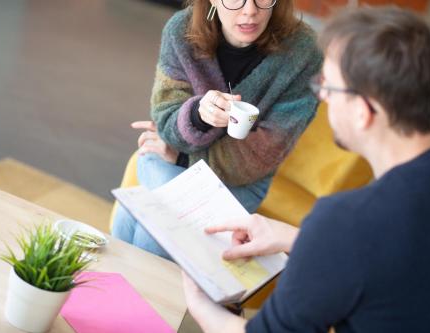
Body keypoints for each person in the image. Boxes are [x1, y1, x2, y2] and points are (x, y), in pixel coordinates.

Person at [183, 6, 430, 333]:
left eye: (331, 87)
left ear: (363, 111)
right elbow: (401, 257)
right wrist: (301, 239)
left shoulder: (346, 221)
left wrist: (198, 302)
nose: (323, 97)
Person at [111, 0, 322, 259]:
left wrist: (182, 157)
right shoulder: (181, 31)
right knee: (152, 223)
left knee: (144, 225)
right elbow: (166, 117)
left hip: (239, 182)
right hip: (167, 160)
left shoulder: (304, 53)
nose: (250, 11)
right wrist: (199, 115)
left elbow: (265, 152)